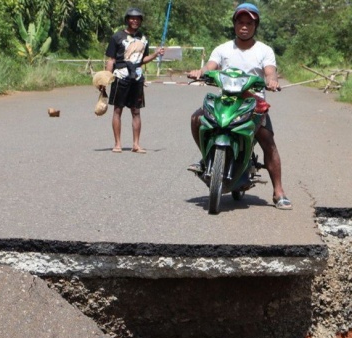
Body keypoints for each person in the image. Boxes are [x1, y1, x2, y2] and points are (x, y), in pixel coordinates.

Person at [187, 3, 291, 210]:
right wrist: (200, 72)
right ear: (234, 24)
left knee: (267, 140)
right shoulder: (223, 49)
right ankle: (206, 158)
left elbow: (270, 71)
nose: (244, 27)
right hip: (226, 101)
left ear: (255, 26)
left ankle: (279, 191)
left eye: (249, 23)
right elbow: (210, 66)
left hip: (253, 103)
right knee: (196, 119)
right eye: (240, 22)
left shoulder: (264, 50)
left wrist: (272, 80)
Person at [102, 7, 164, 154]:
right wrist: (105, 78)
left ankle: (136, 144)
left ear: (141, 21)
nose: (135, 21)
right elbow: (111, 60)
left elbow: (142, 60)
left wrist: (155, 55)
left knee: (136, 111)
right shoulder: (117, 37)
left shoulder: (144, 39)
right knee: (118, 109)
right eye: (132, 18)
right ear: (127, 20)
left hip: (136, 77)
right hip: (121, 76)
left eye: (137, 19)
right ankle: (117, 144)